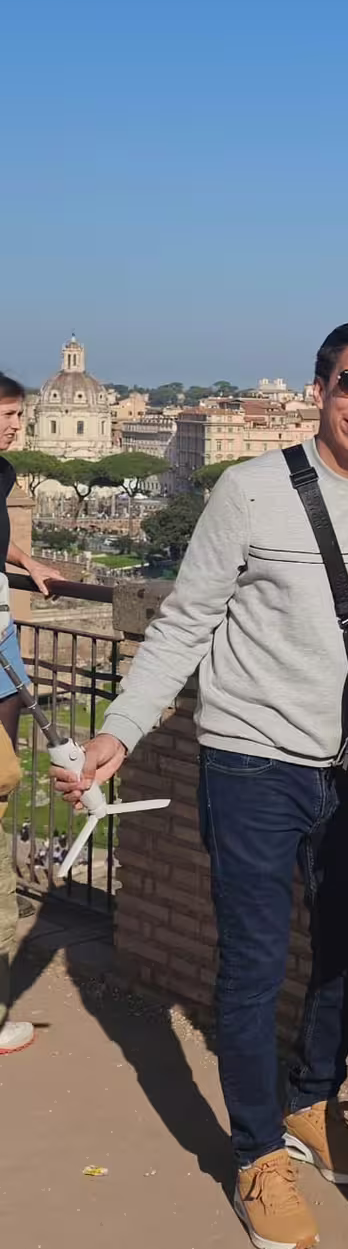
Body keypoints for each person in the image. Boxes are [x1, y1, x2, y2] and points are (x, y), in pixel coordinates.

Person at [54, 322, 348, 1249]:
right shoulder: (250, 490)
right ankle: (256, 1152)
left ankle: (308, 1100)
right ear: (320, 385)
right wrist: (120, 731)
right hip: (252, 762)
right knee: (255, 963)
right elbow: (182, 624)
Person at [1, 371, 64, 1058]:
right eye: (8, 415)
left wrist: (25, 559)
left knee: (7, 776)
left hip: (4, 646)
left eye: (19, 415)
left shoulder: (4, 472)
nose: (16, 426)